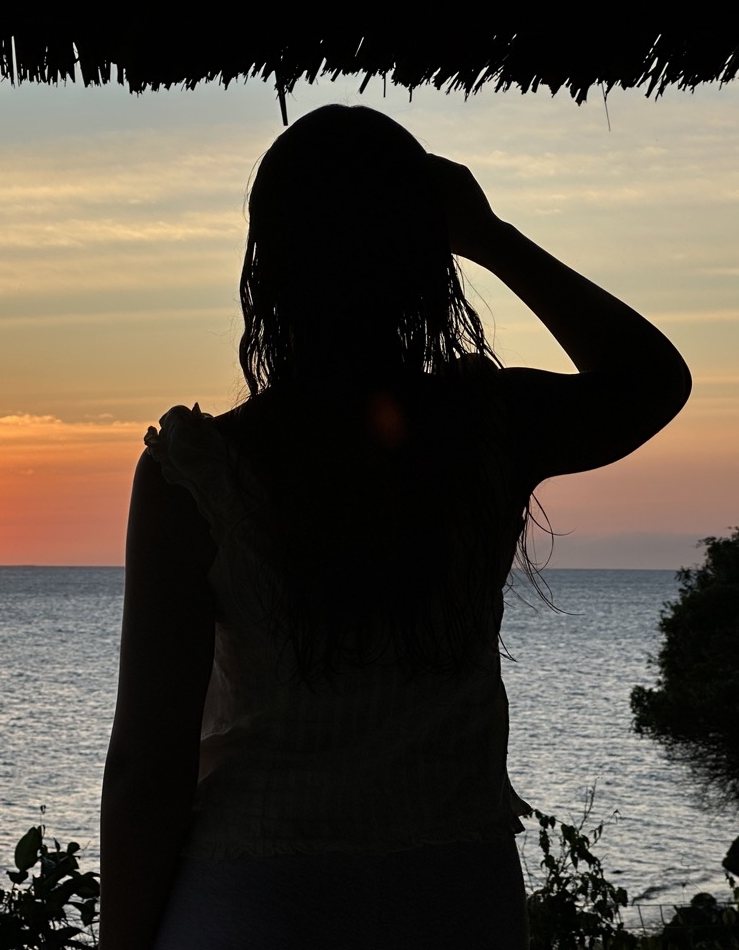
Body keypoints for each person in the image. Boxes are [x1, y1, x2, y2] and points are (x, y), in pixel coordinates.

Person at [99, 105, 691, 949]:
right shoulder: (488, 429)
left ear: (268, 270)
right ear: (425, 261)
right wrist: (490, 235)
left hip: (259, 897)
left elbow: (147, 775)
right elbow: (650, 379)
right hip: (457, 895)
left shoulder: (199, 474)